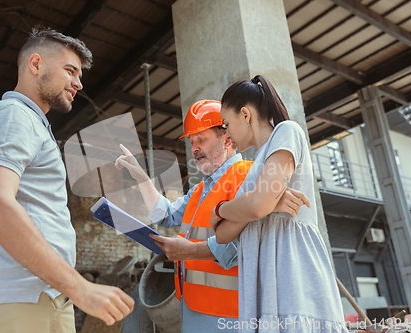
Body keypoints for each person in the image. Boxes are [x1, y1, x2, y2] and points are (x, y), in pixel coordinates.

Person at [0, 27, 134, 332]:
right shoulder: (13, 116)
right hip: (25, 302)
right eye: (70, 70)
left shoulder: (30, 124)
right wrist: (81, 289)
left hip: (36, 301)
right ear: (35, 64)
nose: (78, 83)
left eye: (80, 75)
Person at [115, 100, 309, 332]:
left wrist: (190, 251)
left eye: (202, 139)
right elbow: (165, 215)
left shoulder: (250, 177)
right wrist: (141, 177)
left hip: (229, 313)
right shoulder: (200, 190)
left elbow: (245, 247)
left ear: (227, 139)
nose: (194, 148)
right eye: (192, 142)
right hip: (192, 307)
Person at [210, 75, 347, 332]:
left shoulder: (287, 131)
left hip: (293, 271)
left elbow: (257, 206)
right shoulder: (254, 171)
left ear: (246, 115)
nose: (226, 136)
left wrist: (230, 207)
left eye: (226, 124)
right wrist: (249, 204)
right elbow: (221, 233)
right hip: (267, 280)